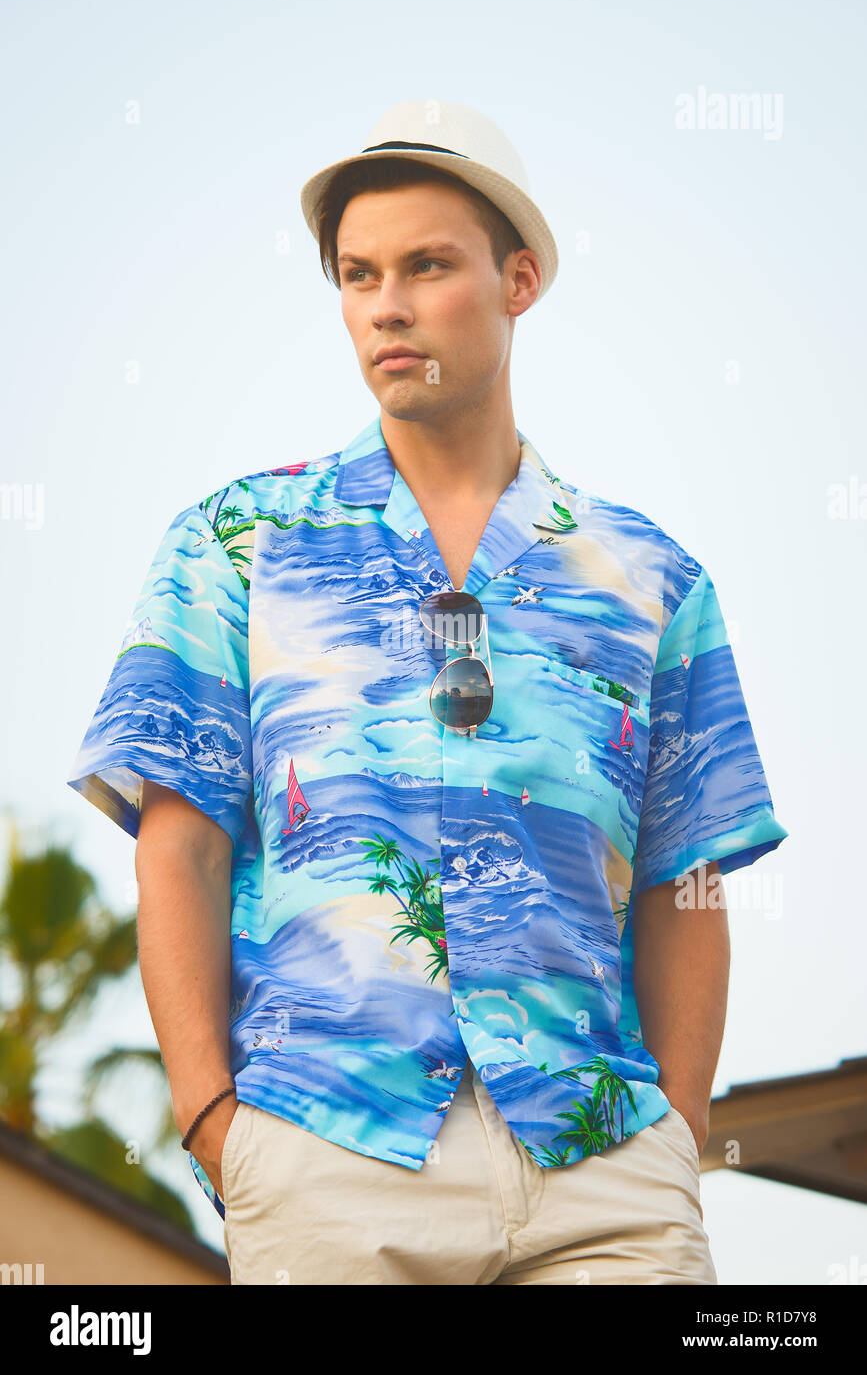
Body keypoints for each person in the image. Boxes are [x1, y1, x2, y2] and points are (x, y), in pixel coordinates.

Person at [67, 99, 788, 1285]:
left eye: (426, 266)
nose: (386, 305)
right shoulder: (237, 543)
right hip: (330, 1155)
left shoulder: (652, 580)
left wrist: (679, 1130)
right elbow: (179, 847)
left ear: (519, 282)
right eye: (358, 275)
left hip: (603, 1170)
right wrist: (216, 1125)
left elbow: (688, 874)